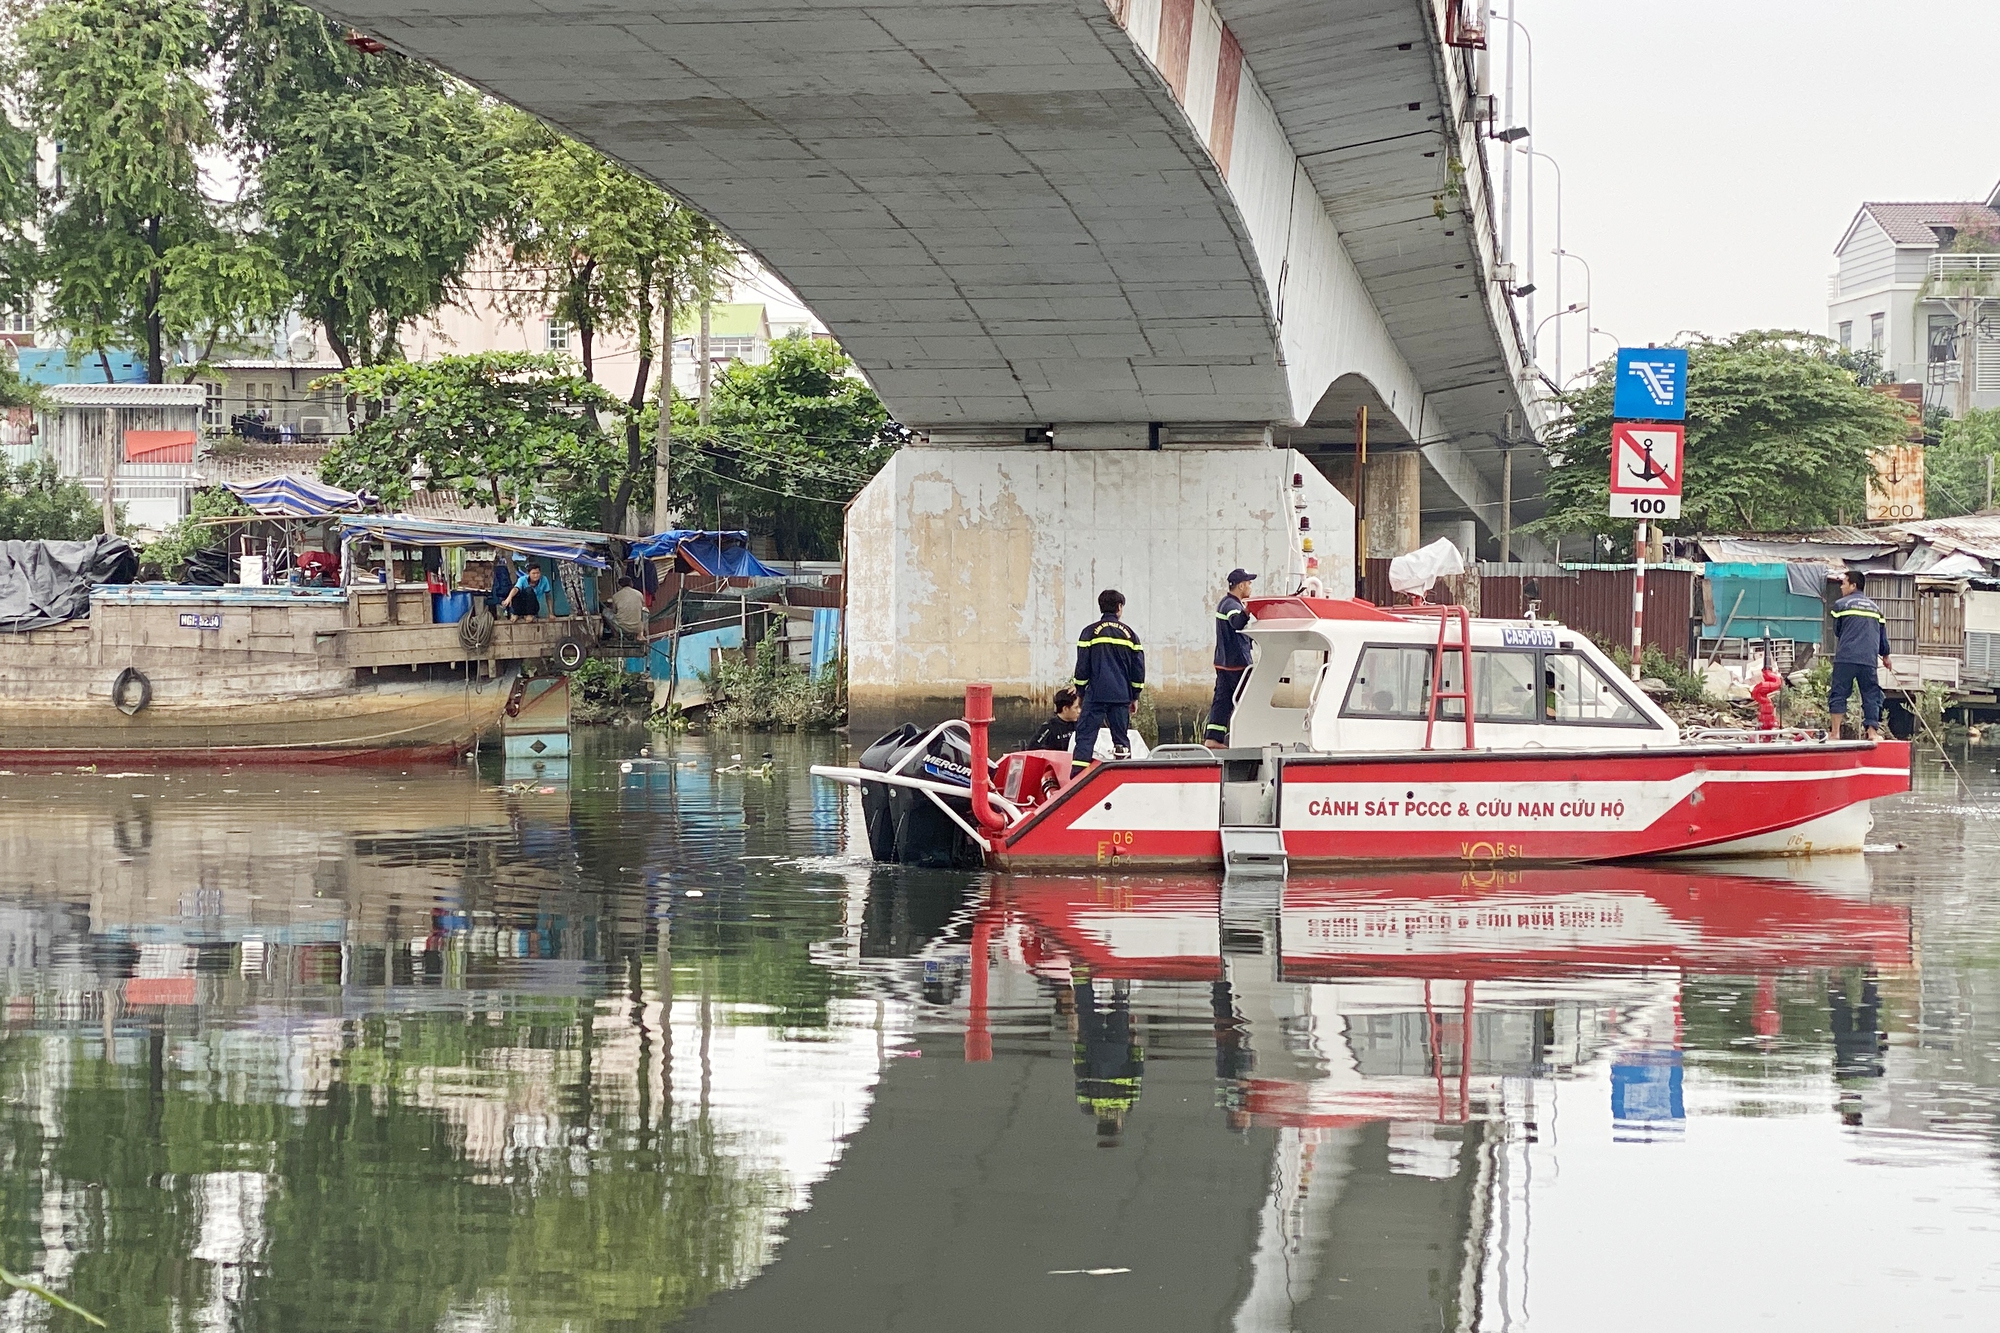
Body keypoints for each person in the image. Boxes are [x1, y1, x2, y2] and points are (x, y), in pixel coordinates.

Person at [1071, 589, 1145, 771]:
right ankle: (1124, 776)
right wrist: (1134, 696)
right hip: (1121, 697)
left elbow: (1082, 668)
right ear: (1119, 607)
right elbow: (1138, 671)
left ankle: (1078, 779)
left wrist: (1080, 693)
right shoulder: (1131, 635)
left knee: (1086, 737)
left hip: (1095, 695)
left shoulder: (1089, 633)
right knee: (1121, 739)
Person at [1828, 569, 1894, 740]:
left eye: (1843, 583)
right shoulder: (1876, 609)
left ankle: (1835, 733)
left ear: (1853, 585)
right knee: (1871, 694)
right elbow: (1882, 639)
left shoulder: (1841, 605)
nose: (1841, 587)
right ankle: (1872, 733)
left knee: (1839, 692)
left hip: (1846, 658)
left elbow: (1838, 631)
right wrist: (1885, 657)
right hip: (1868, 660)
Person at [1205, 568, 1256, 749]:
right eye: (1249, 583)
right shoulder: (1232, 606)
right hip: (1237, 665)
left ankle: (1213, 738)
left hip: (1224, 663)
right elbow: (1236, 623)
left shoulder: (1224, 604)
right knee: (1246, 701)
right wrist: (1248, 611)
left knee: (1222, 701)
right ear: (1241, 585)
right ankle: (1247, 739)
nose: (1250, 586)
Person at [1028, 686, 1082, 751]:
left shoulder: (1080, 724)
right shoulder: (1049, 727)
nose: (1079, 711)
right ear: (1065, 709)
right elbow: (1033, 749)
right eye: (1076, 708)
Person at [606, 575, 648, 640]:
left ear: (620, 585)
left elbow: (614, 611)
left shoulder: (616, 596)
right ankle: (640, 634)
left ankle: (615, 635)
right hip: (636, 627)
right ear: (631, 583)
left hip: (621, 627)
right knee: (645, 612)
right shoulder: (639, 594)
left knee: (605, 612)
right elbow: (642, 607)